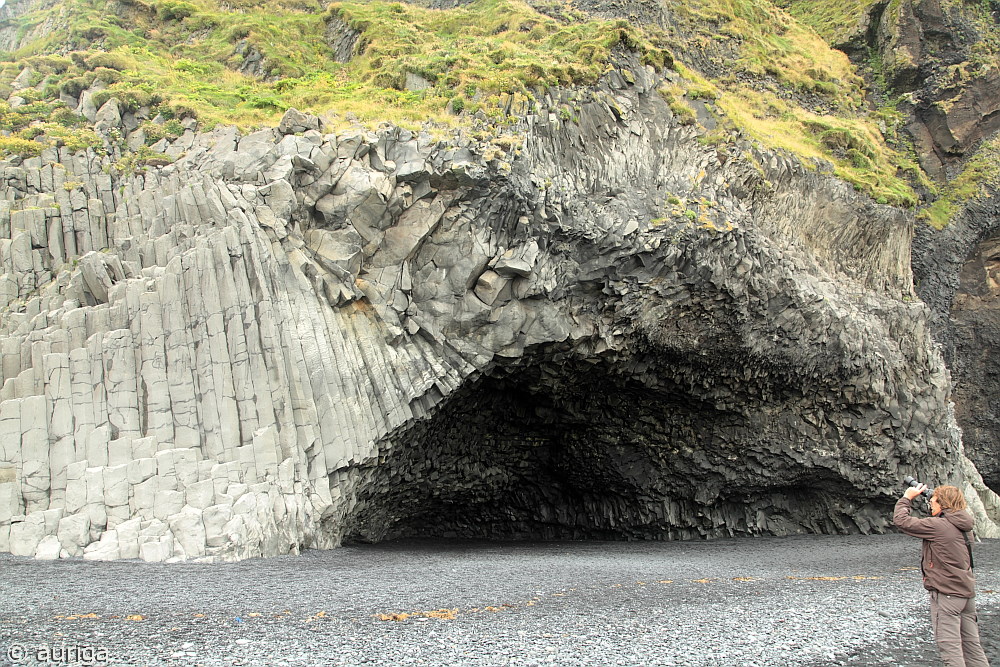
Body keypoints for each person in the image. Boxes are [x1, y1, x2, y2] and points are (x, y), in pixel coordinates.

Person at [894, 482, 990, 667]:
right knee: (972, 648)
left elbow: (902, 521)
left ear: (943, 504)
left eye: (934, 501)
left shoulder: (940, 526)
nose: (931, 504)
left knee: (951, 650)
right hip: (966, 594)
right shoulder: (964, 526)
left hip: (947, 595)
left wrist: (907, 498)